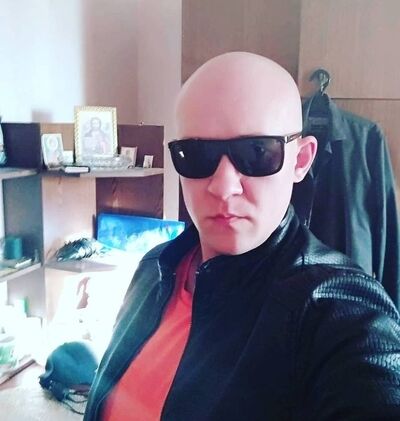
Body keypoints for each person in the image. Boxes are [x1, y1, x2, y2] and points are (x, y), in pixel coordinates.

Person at [84, 52, 400, 420]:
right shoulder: (155, 267)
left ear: (301, 160)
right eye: (196, 155)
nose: (223, 187)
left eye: (257, 152)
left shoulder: (336, 307)